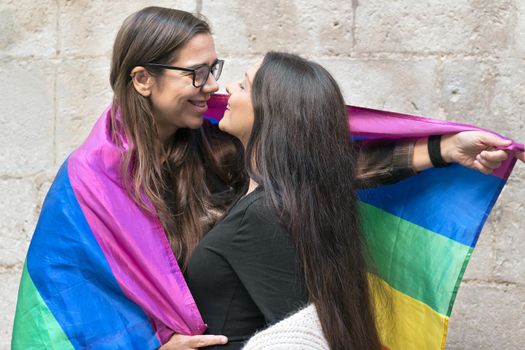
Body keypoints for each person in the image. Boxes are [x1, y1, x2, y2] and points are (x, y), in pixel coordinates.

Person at [176, 52, 524, 350]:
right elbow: (341, 166)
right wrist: (443, 149)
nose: (227, 89)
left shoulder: (263, 214)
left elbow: (303, 339)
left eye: (244, 85)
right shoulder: (285, 197)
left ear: (273, 113)